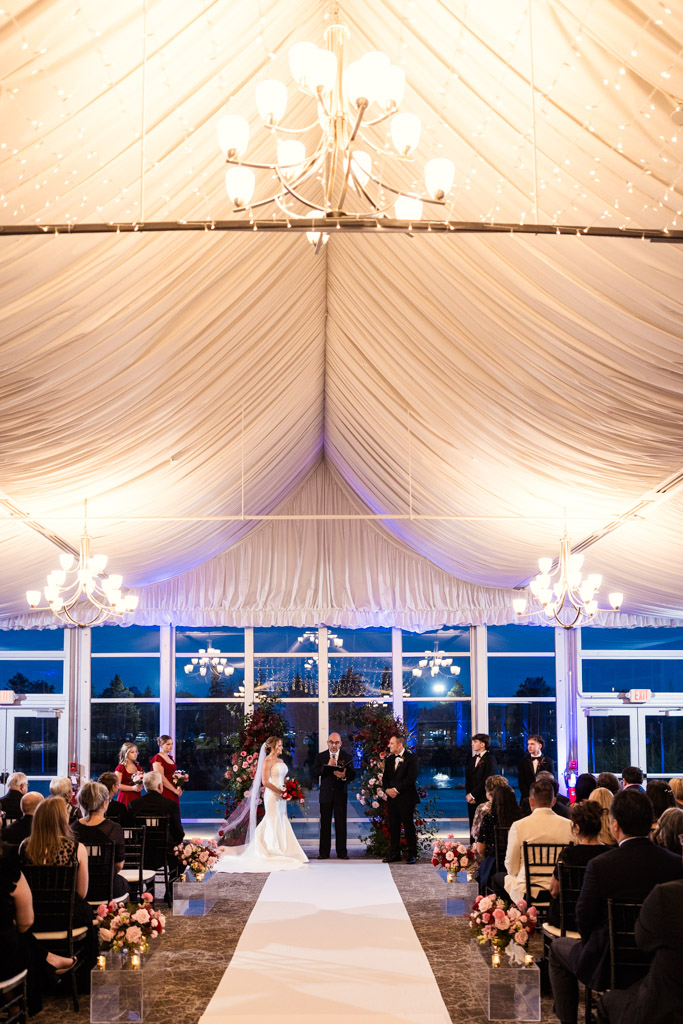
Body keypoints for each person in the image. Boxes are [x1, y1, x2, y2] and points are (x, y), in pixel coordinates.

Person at [548, 788, 683, 1024]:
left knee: (557, 949)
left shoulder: (601, 866)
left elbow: (584, 918)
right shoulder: (675, 864)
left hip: (608, 962)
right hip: (659, 964)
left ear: (615, 826)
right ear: (652, 821)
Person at [0, 842, 77, 1016]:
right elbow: (25, 923)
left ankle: (49, 959)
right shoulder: (6, 861)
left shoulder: (24, 846)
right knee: (13, 934)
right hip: (5, 957)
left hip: (35, 922)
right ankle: (16, 1004)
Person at [599, 875, 683, 1024]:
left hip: (666, 1007)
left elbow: (642, 943)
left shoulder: (668, 895)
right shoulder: (671, 868)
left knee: (607, 1003)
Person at [215, 737, 308, 872]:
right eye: (279, 745)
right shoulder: (267, 761)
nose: (282, 747)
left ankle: (283, 848)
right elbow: (265, 782)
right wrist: (279, 791)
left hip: (282, 795)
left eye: (282, 745)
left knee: (281, 819)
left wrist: (287, 790)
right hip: (272, 795)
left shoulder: (280, 761)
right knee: (272, 819)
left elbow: (282, 778)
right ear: (273, 746)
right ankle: (271, 849)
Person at [492, 776, 573, 905]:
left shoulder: (519, 826)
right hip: (560, 891)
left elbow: (511, 867)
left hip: (528, 893)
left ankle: (516, 920)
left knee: (497, 878)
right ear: (553, 801)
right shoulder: (569, 826)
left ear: (531, 802)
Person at [546, 800, 608, 929]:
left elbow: (554, 891)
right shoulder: (610, 854)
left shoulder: (568, 854)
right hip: (601, 919)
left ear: (577, 828)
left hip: (568, 919)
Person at [72, 781, 128, 898]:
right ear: (104, 804)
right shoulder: (114, 829)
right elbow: (119, 865)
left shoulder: (72, 829)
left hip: (77, 888)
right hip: (106, 887)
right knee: (124, 884)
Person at [311, 732, 356, 860]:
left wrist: (344, 776)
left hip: (340, 794)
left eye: (336, 743)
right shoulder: (321, 756)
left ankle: (342, 852)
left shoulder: (346, 756)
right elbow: (313, 772)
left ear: (340, 743)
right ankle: (324, 853)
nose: (334, 745)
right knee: (325, 824)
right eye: (331, 742)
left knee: (341, 824)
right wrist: (326, 767)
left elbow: (353, 774)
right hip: (325, 795)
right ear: (327, 742)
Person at [380, 734, 420, 864]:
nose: (389, 746)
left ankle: (412, 854)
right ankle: (394, 853)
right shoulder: (390, 759)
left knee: (408, 826)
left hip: (406, 797)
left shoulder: (411, 758)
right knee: (394, 826)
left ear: (399, 745)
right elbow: (385, 777)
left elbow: (411, 777)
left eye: (392, 743)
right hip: (392, 798)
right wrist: (387, 789)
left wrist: (396, 790)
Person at [476, 784, 522, 892]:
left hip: (494, 863)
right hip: (518, 862)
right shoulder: (521, 818)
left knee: (481, 870)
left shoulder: (489, 818)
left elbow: (480, 849)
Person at [130, 772, 185, 849]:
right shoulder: (171, 805)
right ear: (160, 786)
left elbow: (131, 829)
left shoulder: (134, 804)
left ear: (145, 787)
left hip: (142, 848)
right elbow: (178, 832)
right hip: (166, 848)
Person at [465, 733, 498, 839]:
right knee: (472, 824)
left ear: (483, 744)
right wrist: (469, 795)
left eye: (475, 742)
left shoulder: (490, 759)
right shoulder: (472, 759)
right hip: (471, 798)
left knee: (483, 825)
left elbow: (487, 779)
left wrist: (474, 794)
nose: (472, 744)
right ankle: (472, 849)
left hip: (483, 797)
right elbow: (468, 779)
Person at [472, 775, 509, 844]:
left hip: (487, 849)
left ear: (488, 791)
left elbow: (475, 833)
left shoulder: (482, 808)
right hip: (509, 845)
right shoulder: (513, 807)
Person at [518, 735, 554, 800]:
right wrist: (528, 797)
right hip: (527, 798)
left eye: (532, 744)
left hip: (544, 797)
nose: (529, 746)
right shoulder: (523, 761)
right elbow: (521, 782)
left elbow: (551, 781)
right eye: (528, 744)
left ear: (540, 746)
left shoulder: (548, 761)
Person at [150, 735, 183, 807]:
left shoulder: (170, 758)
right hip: (165, 789)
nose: (171, 746)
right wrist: (174, 790)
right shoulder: (157, 758)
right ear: (161, 745)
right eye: (168, 744)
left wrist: (178, 785)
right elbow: (161, 777)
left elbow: (174, 774)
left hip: (173, 789)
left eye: (172, 744)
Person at [114, 742, 144, 810]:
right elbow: (117, 785)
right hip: (125, 797)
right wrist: (133, 788)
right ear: (126, 753)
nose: (135, 754)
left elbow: (144, 780)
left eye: (136, 752)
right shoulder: (120, 767)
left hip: (137, 796)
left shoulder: (138, 767)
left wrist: (141, 786)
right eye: (132, 752)